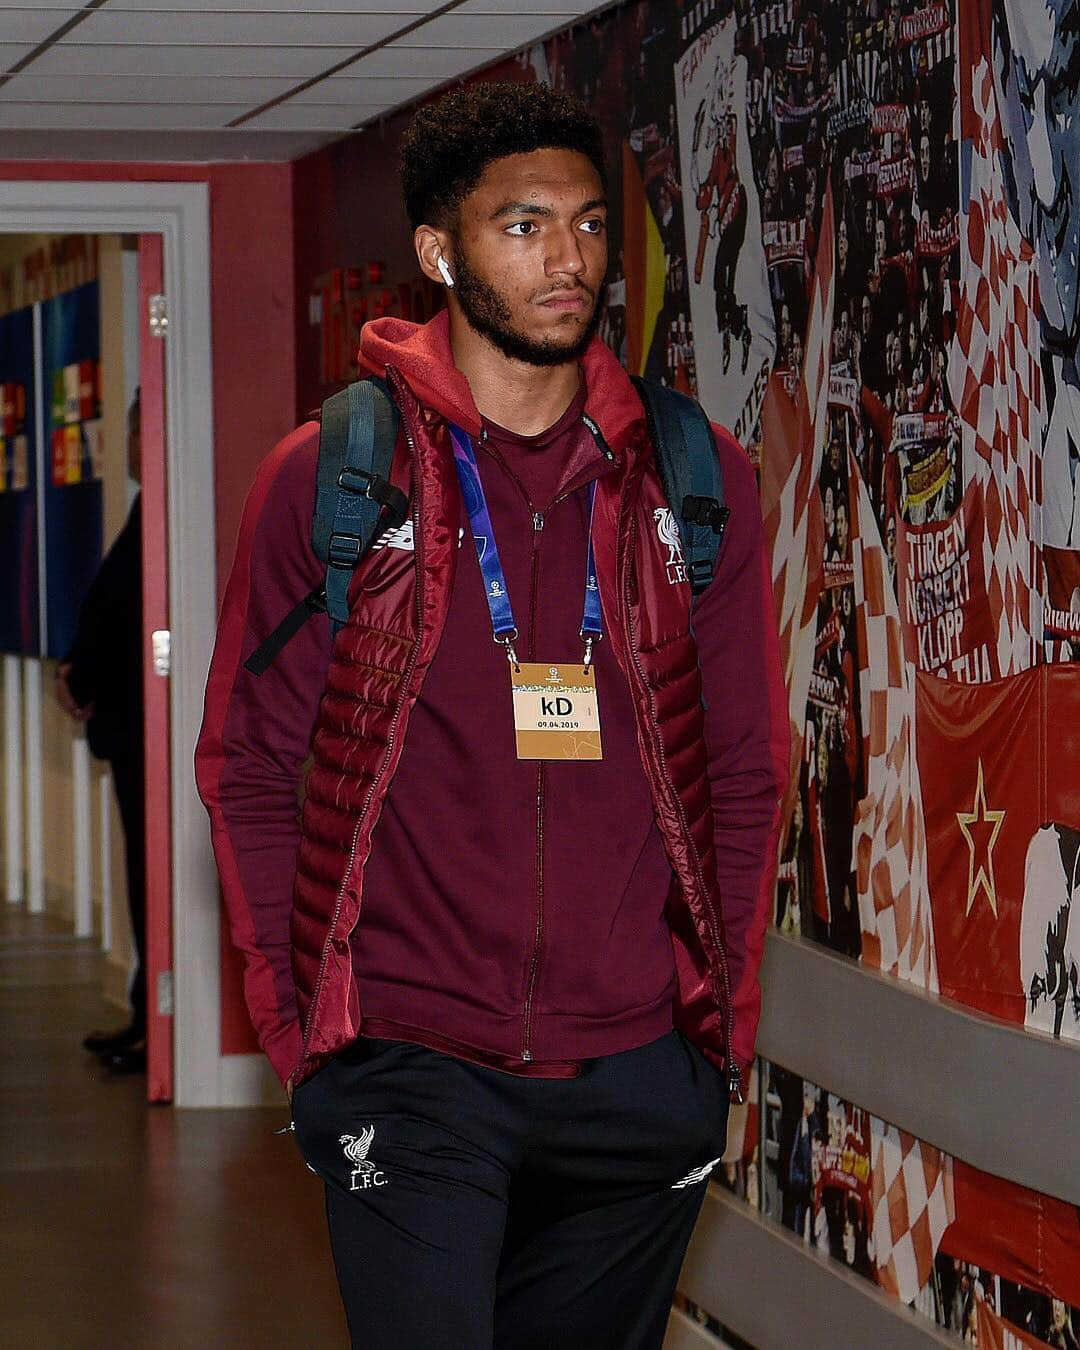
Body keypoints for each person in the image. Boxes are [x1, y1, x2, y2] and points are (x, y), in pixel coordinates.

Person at [196, 83, 786, 1350]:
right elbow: (249, 763)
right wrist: (302, 1035)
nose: (566, 258)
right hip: (411, 1060)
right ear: (439, 252)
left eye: (583, 225)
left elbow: (745, 765)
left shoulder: (694, 479)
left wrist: (716, 1041)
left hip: (638, 1070)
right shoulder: (333, 480)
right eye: (522, 226)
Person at [56, 389, 145, 1074]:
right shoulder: (145, 514)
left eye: (138, 429)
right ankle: (148, 1012)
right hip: (125, 726)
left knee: (148, 876)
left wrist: (81, 676)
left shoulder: (160, 520)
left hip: (146, 732)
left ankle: (154, 1022)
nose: (131, 444)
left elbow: (120, 618)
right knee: (140, 876)